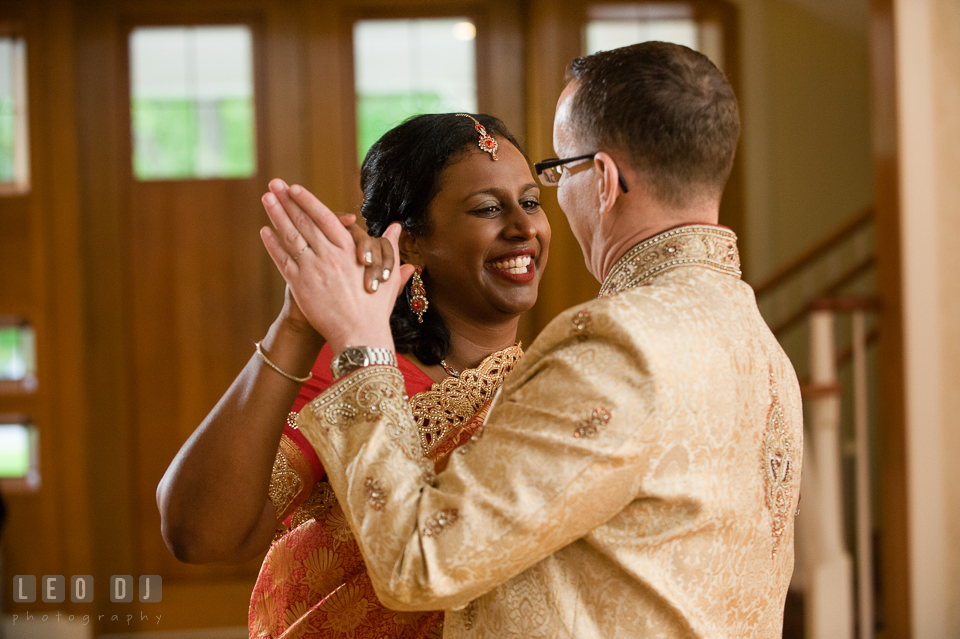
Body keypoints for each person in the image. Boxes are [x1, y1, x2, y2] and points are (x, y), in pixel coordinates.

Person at [259, 41, 803, 638]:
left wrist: (361, 344)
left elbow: (420, 561)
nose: (532, 223)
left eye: (553, 177)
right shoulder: (759, 345)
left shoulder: (617, 347)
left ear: (602, 178)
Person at [156, 113, 551, 639]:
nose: (524, 228)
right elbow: (202, 535)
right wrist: (296, 324)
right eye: (487, 209)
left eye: (530, 202)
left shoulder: (557, 376)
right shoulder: (359, 373)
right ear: (410, 243)